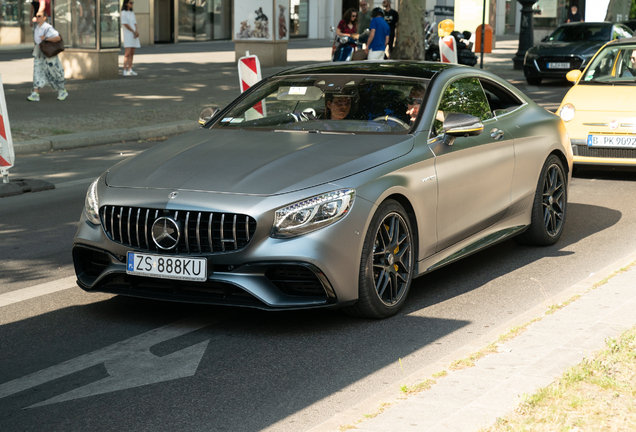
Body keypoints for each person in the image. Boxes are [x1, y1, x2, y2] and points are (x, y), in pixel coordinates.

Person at [27, 10, 68, 102]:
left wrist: (46, 38)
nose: (37, 18)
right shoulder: (37, 27)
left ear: (45, 18)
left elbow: (57, 37)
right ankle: (35, 93)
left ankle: (62, 90)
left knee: (54, 71)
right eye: (36, 16)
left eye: (39, 16)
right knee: (37, 70)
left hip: (48, 53)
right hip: (39, 52)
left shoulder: (47, 27)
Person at [121, 0, 140, 76]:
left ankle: (130, 69)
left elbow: (135, 23)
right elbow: (125, 24)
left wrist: (136, 31)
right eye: (130, 3)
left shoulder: (132, 13)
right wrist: (133, 31)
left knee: (132, 53)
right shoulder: (123, 13)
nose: (132, 4)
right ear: (126, 4)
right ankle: (124, 70)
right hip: (128, 34)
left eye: (133, 3)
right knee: (127, 53)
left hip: (133, 34)